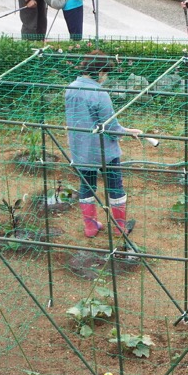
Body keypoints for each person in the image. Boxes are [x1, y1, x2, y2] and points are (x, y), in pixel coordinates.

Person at [65, 51, 142, 239]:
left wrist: (124, 129)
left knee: (87, 185)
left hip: (80, 149)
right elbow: (110, 127)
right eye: (106, 73)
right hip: (103, 150)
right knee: (115, 186)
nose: (105, 78)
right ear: (100, 72)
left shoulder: (70, 88)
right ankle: (119, 228)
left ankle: (90, 227)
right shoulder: (99, 93)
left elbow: (86, 121)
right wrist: (127, 132)